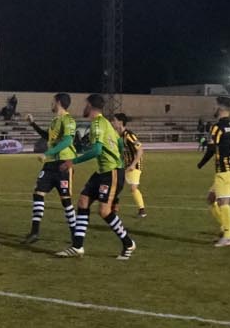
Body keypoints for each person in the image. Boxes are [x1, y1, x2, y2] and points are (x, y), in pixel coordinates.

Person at [57, 94, 135, 259]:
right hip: (103, 171)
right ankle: (77, 246)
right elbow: (119, 143)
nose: (83, 108)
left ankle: (128, 243)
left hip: (110, 172)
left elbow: (97, 150)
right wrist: (118, 157)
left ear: (91, 106)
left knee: (104, 211)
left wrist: (73, 161)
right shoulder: (105, 123)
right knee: (83, 201)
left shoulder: (97, 124)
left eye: (85, 105)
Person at [24, 93, 77, 244]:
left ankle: (75, 235)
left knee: (66, 201)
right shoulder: (55, 121)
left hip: (63, 164)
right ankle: (35, 232)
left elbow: (67, 141)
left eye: (53, 102)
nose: (51, 104)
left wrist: (47, 153)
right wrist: (32, 124)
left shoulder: (68, 120)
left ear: (58, 102)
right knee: (38, 193)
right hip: (50, 164)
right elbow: (48, 137)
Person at [196, 95, 230, 248]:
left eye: (214, 105)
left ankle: (228, 236)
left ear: (220, 108)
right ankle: (224, 229)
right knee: (211, 198)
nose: (213, 108)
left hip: (224, 171)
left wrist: (201, 163)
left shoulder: (217, 127)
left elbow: (212, 148)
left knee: (223, 202)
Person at [113, 111, 146, 214]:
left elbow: (140, 150)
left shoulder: (129, 135)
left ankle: (142, 210)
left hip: (134, 165)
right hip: (124, 164)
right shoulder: (118, 135)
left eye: (114, 120)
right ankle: (115, 206)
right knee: (116, 184)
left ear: (120, 122)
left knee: (133, 188)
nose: (112, 122)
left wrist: (132, 165)